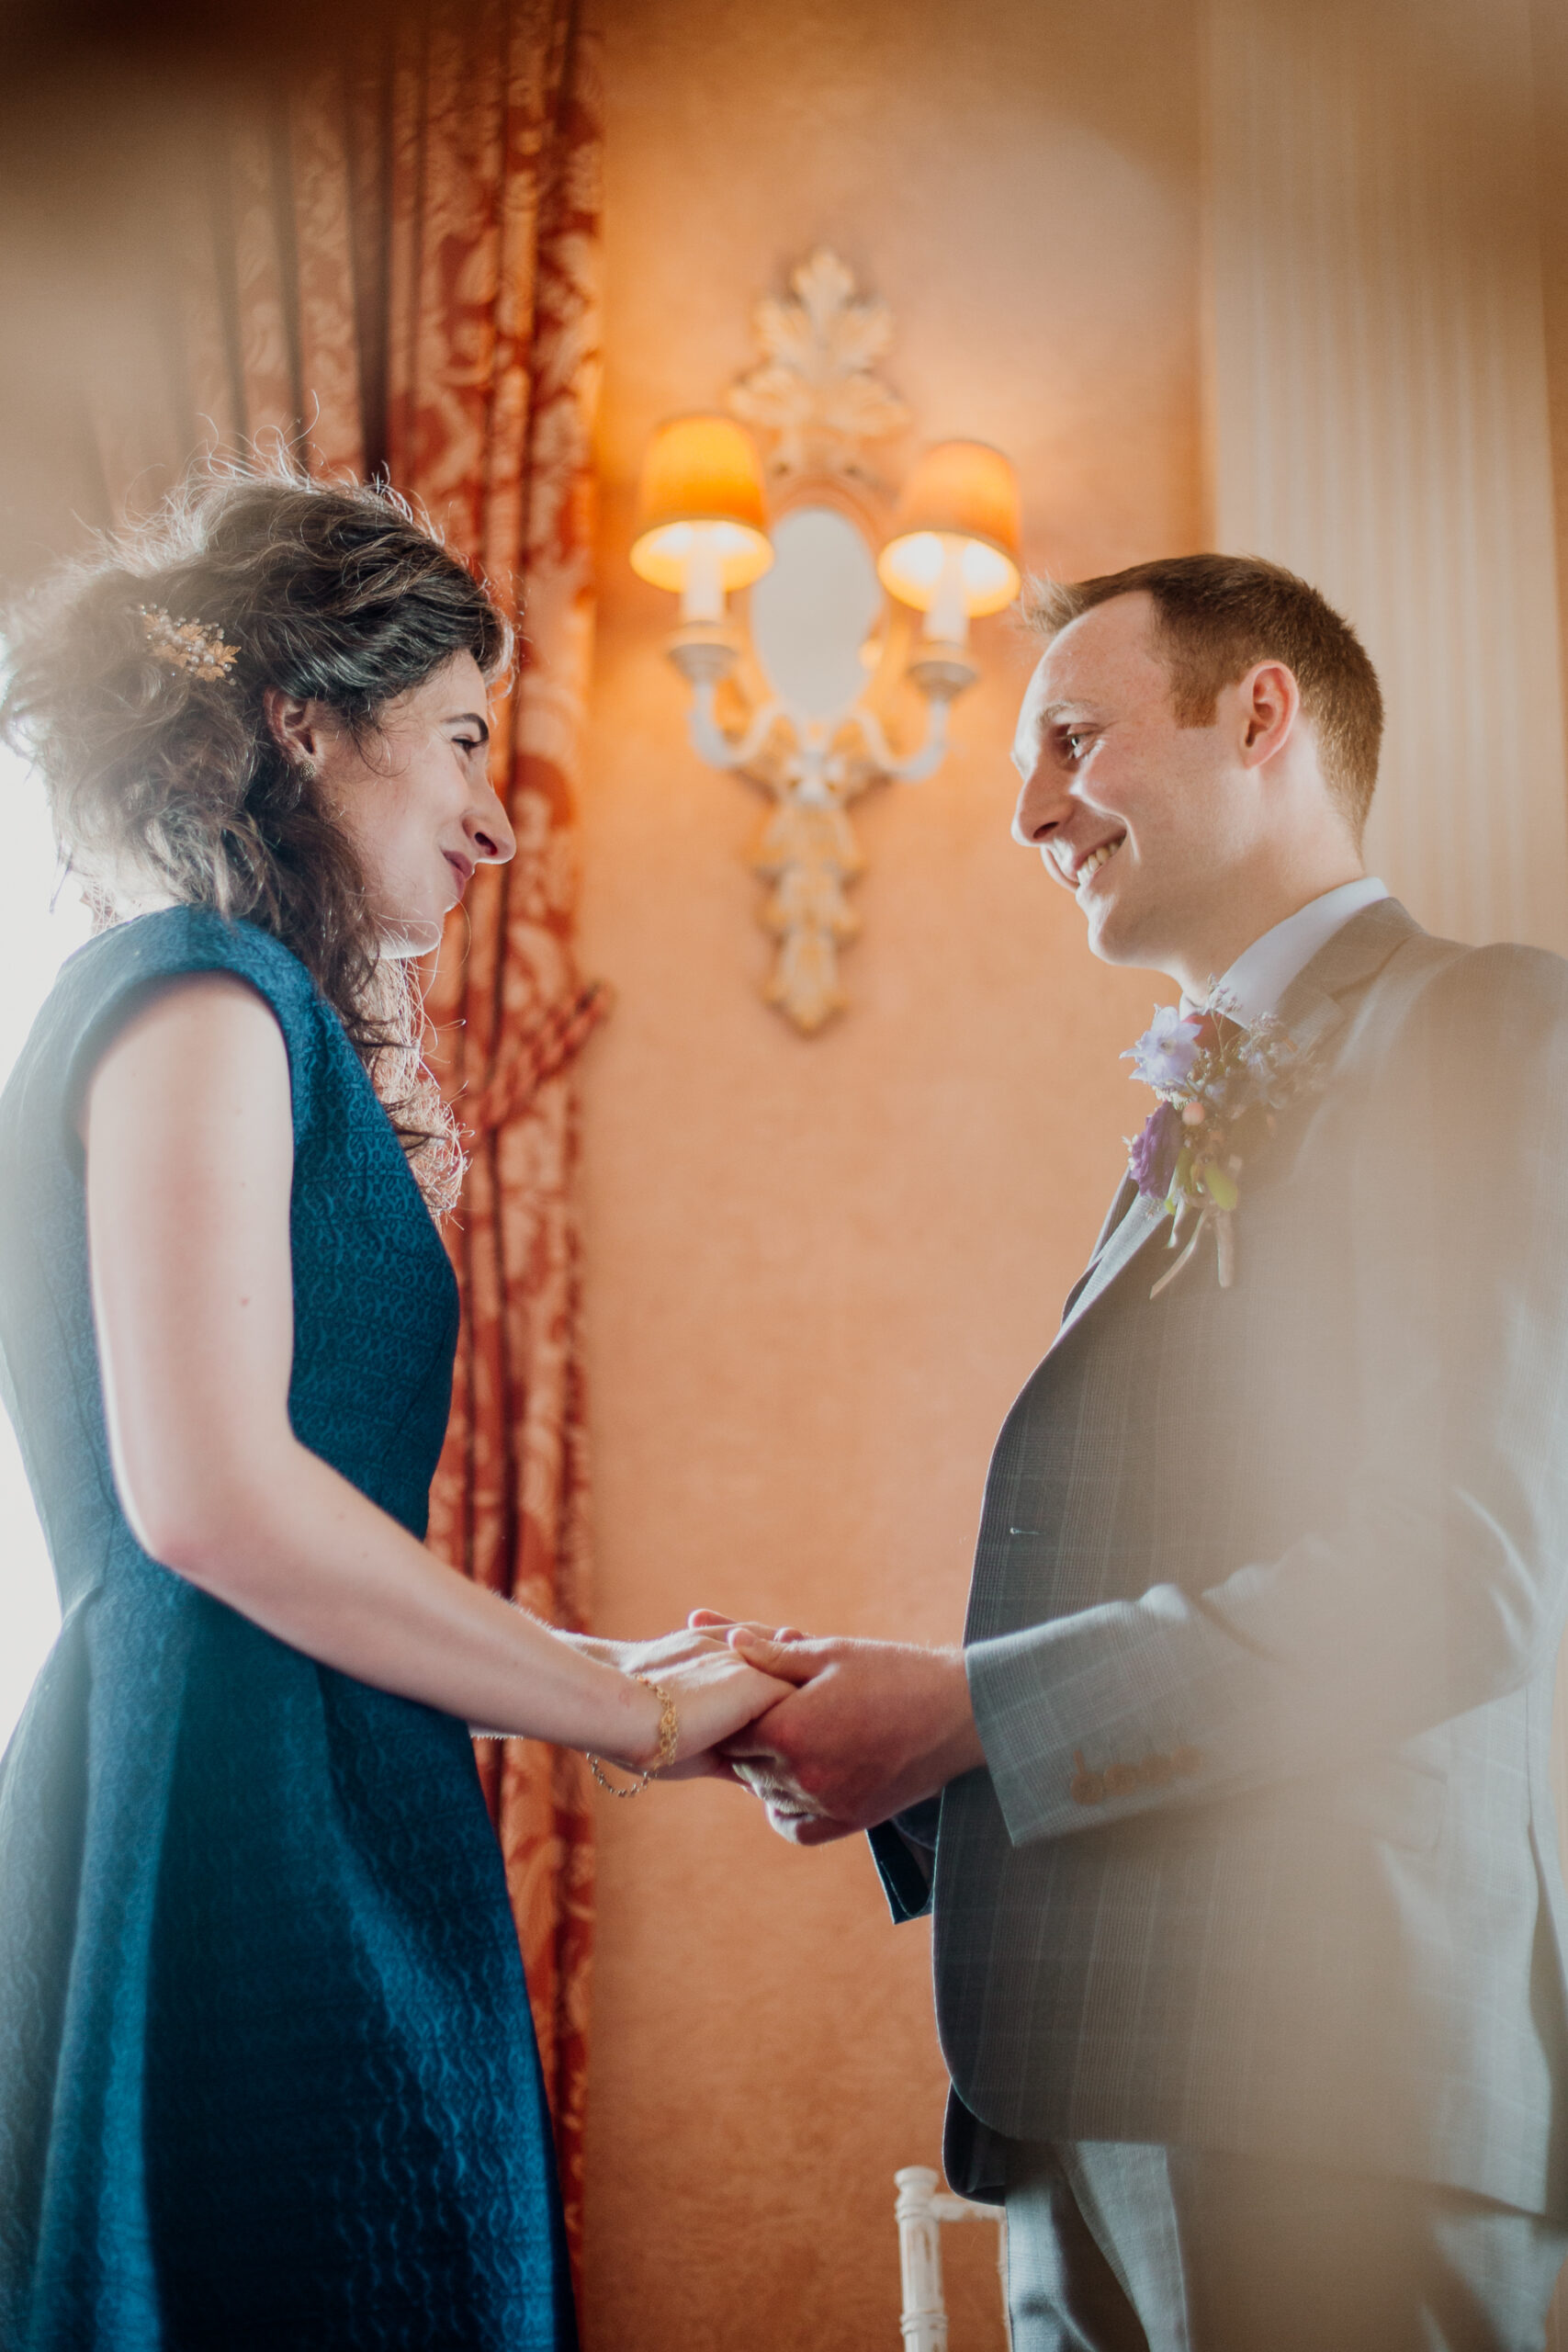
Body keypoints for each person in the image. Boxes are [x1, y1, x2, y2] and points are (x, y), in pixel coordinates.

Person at [702, 555, 1568, 2350]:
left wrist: (958, 1710)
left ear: (1258, 715)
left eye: (1070, 741)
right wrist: (896, 1720)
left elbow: (1446, 1581)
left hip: (1313, 2080)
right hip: (1096, 2087)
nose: (1026, 810)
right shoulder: (1203, 1096)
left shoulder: (1474, 1026)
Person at [0, 469, 786, 2351]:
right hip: (224, 1815)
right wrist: (623, 1706)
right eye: (453, 738)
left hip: (323, 1777)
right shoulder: (196, 991)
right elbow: (212, 1498)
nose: (491, 816)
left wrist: (616, 1654)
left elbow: (303, 1501)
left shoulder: (256, 1003)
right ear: (299, 719)